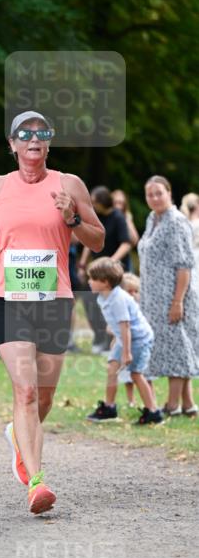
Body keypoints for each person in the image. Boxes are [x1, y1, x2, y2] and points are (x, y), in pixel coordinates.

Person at [0, 111, 104, 515]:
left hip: (55, 300)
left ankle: (18, 436)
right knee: (24, 391)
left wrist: (73, 217)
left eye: (41, 133)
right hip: (10, 299)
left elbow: (97, 240)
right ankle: (37, 482)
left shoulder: (69, 185)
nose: (33, 139)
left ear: (49, 142)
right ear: (11, 145)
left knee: (44, 397)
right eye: (24, 134)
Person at [138, 175, 199, 416]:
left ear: (169, 193)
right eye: (150, 194)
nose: (154, 198)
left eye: (159, 193)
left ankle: (172, 405)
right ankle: (188, 404)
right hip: (153, 298)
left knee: (177, 348)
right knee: (173, 347)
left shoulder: (176, 221)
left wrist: (177, 302)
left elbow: (184, 265)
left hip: (175, 296)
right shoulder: (153, 218)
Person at [85, 258, 161, 425]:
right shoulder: (103, 297)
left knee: (136, 374)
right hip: (125, 339)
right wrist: (116, 341)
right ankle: (109, 408)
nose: (88, 282)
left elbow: (125, 325)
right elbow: (118, 326)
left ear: (105, 282)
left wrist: (126, 352)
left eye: (92, 279)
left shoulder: (118, 299)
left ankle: (153, 413)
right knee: (112, 368)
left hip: (139, 339)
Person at [77, 186, 132, 353]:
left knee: (113, 305)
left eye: (95, 202)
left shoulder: (118, 217)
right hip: (97, 270)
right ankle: (99, 338)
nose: (93, 205)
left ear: (103, 201)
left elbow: (126, 243)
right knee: (89, 300)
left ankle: (112, 341)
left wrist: (111, 262)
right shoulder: (96, 217)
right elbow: (90, 241)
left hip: (114, 270)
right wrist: (83, 263)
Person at [118, 272, 143, 406]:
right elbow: (111, 328)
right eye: (129, 291)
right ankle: (131, 400)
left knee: (143, 374)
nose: (133, 294)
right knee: (127, 376)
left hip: (139, 345)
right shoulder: (118, 308)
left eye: (136, 291)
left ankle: (150, 399)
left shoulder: (141, 309)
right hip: (125, 347)